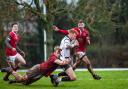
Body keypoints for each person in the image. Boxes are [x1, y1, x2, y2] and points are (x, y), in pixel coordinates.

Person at [1, 46, 71, 86]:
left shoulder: (57, 57)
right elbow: (62, 63)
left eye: (60, 52)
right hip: (37, 69)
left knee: (26, 83)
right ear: (55, 52)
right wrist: (67, 60)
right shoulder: (53, 57)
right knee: (22, 79)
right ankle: (10, 70)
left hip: (41, 73)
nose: (59, 53)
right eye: (58, 52)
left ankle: (14, 81)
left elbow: (62, 62)